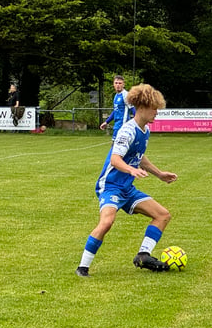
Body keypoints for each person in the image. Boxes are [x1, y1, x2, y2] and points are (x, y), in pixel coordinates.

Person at [76, 83, 178, 277]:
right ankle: (83, 267)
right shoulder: (127, 131)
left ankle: (143, 255)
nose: (157, 113)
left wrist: (160, 174)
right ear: (142, 107)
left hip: (127, 188)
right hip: (111, 186)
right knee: (107, 222)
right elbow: (115, 159)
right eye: (154, 109)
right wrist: (131, 170)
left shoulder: (145, 130)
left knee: (163, 215)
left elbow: (141, 157)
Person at [100, 75, 135, 140]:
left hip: (123, 125)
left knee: (115, 146)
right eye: (116, 83)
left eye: (120, 83)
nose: (118, 85)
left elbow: (133, 109)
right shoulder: (116, 96)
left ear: (123, 84)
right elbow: (115, 111)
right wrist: (106, 122)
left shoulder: (125, 95)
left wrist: (138, 123)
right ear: (113, 84)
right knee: (120, 147)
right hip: (117, 124)